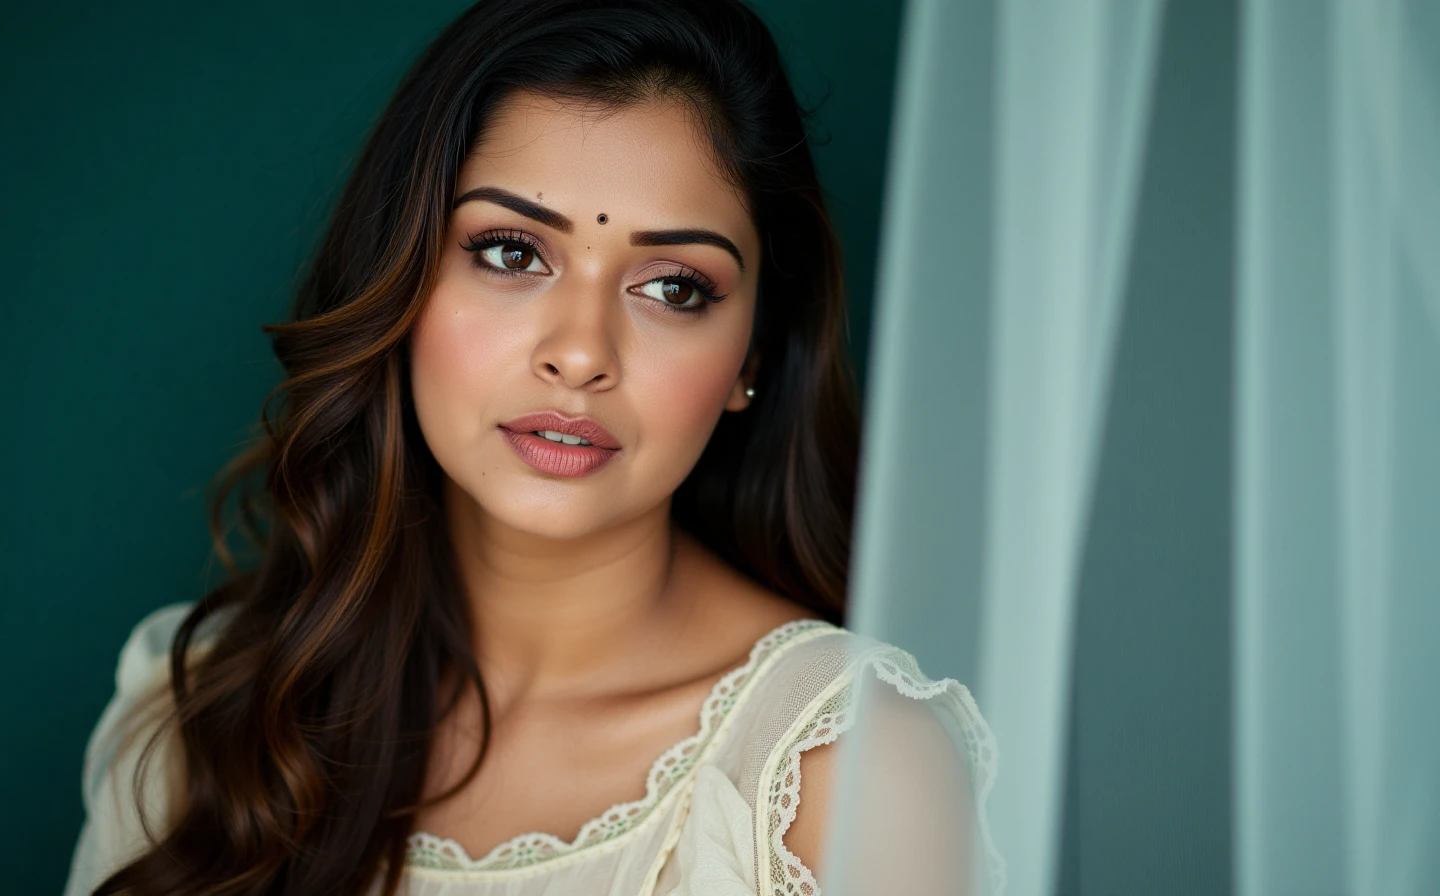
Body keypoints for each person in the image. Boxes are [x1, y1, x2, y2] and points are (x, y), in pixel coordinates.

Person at [61, 1, 1003, 894]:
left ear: (749, 357)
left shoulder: (841, 765)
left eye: (674, 287)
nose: (582, 353)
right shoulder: (209, 713)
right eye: (513, 252)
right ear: (402, 277)